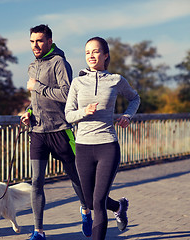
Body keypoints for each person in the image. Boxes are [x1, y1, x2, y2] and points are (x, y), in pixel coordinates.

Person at [20, 24, 92, 240]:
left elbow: (67, 95)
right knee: (36, 182)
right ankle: (39, 231)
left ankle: (86, 210)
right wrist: (28, 112)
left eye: (40, 41)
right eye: (32, 41)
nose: (35, 45)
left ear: (49, 41)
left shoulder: (59, 63)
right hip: (38, 132)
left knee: (77, 178)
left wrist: (37, 86)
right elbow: (36, 101)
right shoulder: (32, 66)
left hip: (61, 130)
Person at [65, 36, 141, 240]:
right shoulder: (78, 82)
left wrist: (127, 115)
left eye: (96, 51)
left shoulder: (116, 80)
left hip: (107, 145)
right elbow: (68, 115)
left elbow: (135, 98)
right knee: (89, 202)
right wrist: (84, 112)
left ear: (105, 55)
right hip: (83, 147)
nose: (91, 55)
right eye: (87, 52)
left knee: (98, 202)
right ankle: (118, 206)